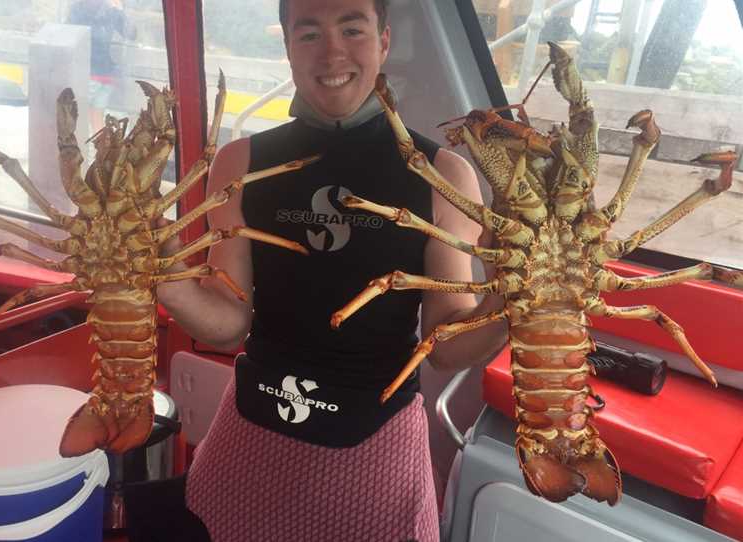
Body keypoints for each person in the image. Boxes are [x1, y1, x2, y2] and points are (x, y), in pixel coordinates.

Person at [135, 0, 506, 540]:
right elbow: (228, 319)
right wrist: (163, 276)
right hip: (252, 429)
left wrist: (511, 305)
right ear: (287, 47)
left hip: (376, 443)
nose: (332, 53)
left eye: (351, 29)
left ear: (383, 41)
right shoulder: (238, 162)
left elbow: (446, 343)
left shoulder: (443, 175)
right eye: (308, 34)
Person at [67, 0, 137, 133]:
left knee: (78, 117)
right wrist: (119, 11)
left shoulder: (80, 7)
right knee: (96, 118)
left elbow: (67, 34)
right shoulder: (109, 9)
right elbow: (131, 33)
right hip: (107, 76)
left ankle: (80, 150)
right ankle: (103, 152)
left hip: (90, 75)